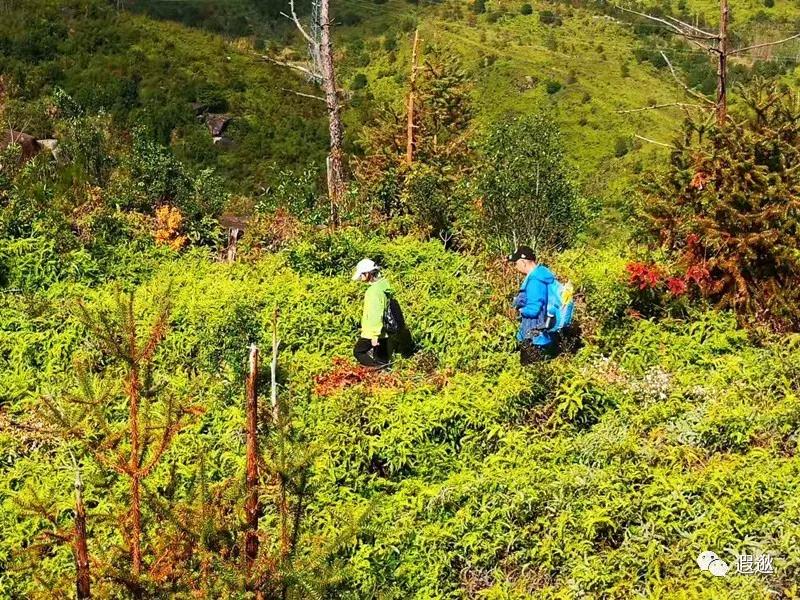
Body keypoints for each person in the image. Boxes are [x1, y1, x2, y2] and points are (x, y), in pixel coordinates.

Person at [508, 245, 558, 365]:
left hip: (534, 334)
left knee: (529, 368)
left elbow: (534, 309)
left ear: (523, 262)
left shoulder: (535, 280)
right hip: (541, 332)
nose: (516, 267)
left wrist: (520, 310)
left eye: (516, 263)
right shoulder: (541, 275)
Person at [352, 258, 393, 368]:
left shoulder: (373, 291)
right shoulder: (383, 286)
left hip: (372, 332)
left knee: (358, 352)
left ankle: (375, 371)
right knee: (382, 359)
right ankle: (385, 380)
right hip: (384, 330)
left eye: (361, 275)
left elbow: (376, 313)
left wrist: (374, 335)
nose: (360, 278)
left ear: (368, 274)